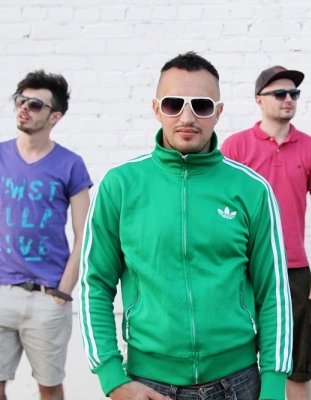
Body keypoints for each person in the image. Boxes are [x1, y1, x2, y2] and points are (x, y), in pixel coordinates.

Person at [78, 52, 293, 400]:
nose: (187, 117)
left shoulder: (252, 190)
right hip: (149, 384)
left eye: (202, 106)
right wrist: (112, 378)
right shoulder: (120, 186)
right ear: (156, 108)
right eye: (173, 104)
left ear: (218, 112)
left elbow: (275, 293)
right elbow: (94, 284)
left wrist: (273, 387)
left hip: (238, 383)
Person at [221, 66, 311, 400]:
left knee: (297, 362)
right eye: (280, 93)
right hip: (243, 267)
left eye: (294, 93)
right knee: (234, 359)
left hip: (293, 269)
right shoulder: (236, 146)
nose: (289, 99)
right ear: (259, 100)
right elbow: (217, 207)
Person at [0, 70, 92, 400]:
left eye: (35, 104)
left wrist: (63, 291)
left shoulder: (70, 165)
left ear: (55, 116)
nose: (24, 108)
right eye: (21, 100)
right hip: (1, 290)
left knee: (50, 389)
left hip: (47, 296)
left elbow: (85, 234)